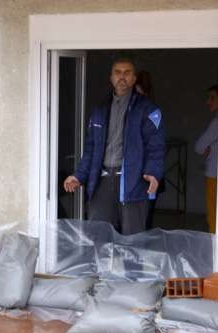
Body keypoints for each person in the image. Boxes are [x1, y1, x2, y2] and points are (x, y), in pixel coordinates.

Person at [63, 57, 165, 235]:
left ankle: (129, 256)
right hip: (102, 181)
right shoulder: (100, 111)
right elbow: (90, 149)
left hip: (133, 181)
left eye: (127, 73)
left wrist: (153, 172)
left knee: (132, 239)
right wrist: (78, 175)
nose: (122, 77)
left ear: (134, 78)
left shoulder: (148, 110)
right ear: (111, 78)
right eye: (118, 72)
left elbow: (156, 146)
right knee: (98, 236)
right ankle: (102, 257)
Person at [194, 84, 218, 234]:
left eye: (212, 98)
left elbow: (199, 147)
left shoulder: (217, 122)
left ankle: (214, 244)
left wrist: (207, 147)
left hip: (213, 174)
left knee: (213, 215)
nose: (208, 102)